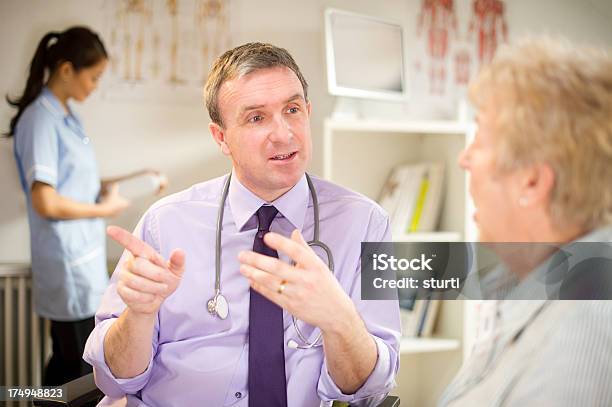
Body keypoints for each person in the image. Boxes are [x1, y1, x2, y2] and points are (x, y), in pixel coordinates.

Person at [83, 43, 400, 406]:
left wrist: (339, 319)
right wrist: (138, 316)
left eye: (292, 110)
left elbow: (372, 390)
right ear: (221, 138)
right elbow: (111, 381)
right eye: (256, 118)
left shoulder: (367, 224)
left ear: (308, 113)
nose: (284, 134)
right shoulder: (164, 223)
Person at [438, 38, 612, 406]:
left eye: (481, 136)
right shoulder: (521, 284)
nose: (464, 159)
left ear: (532, 182)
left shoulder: (587, 325)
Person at [6, 26, 165, 386]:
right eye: (92, 77)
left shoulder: (68, 116)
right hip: (66, 265)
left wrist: (140, 176)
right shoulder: (40, 119)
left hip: (82, 261)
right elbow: (44, 200)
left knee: (67, 365)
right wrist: (106, 211)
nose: (95, 86)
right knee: (75, 372)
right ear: (66, 70)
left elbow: (82, 185)